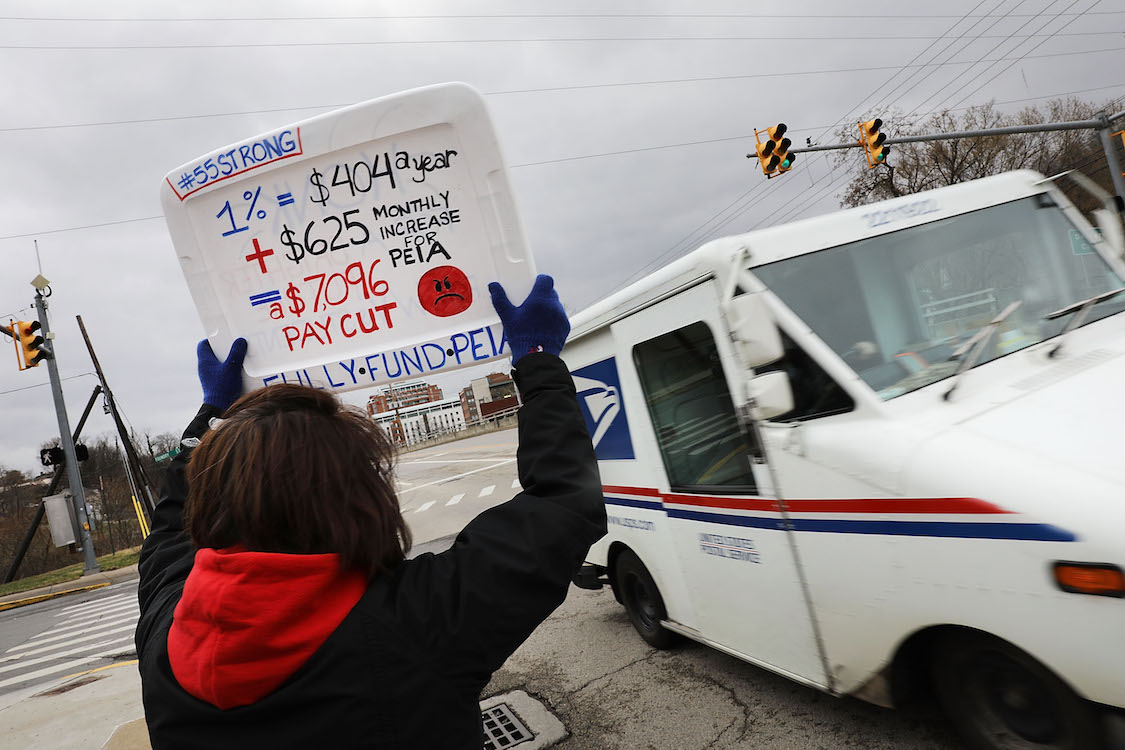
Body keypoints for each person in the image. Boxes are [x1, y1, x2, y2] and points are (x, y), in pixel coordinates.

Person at [135, 275, 606, 749]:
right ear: (359, 500)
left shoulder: (164, 623)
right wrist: (538, 358)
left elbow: (168, 528)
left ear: (210, 503)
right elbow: (565, 502)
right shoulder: (420, 622)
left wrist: (213, 414)